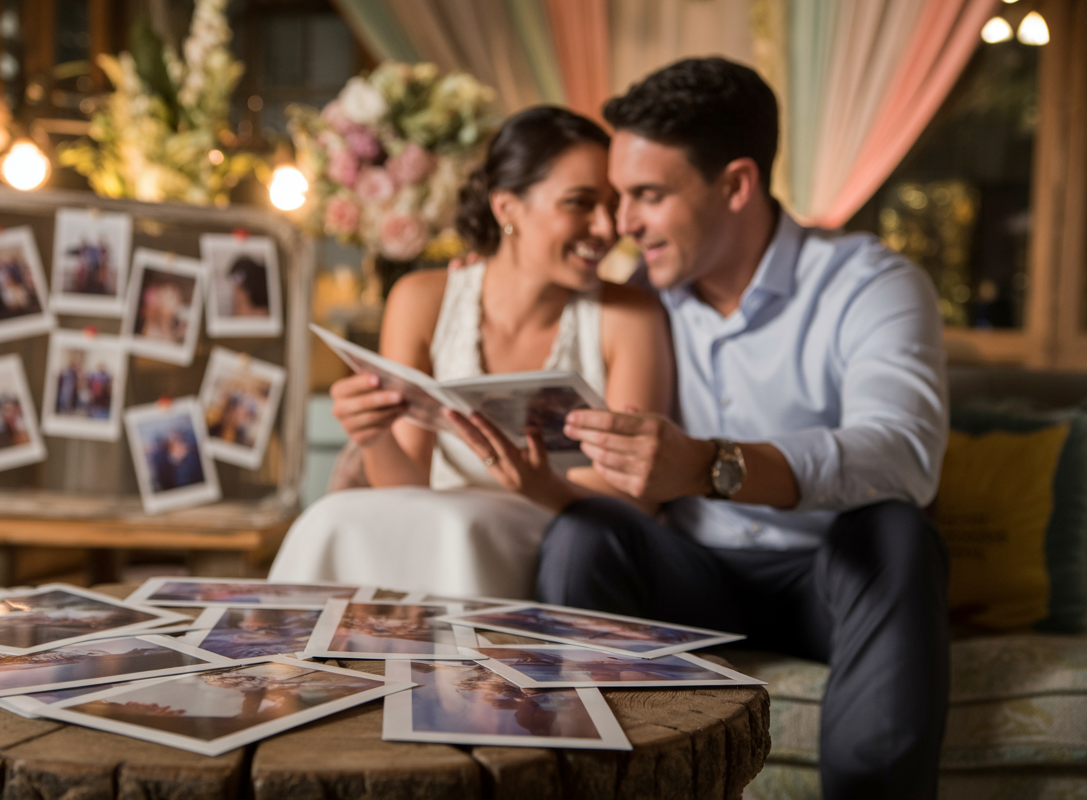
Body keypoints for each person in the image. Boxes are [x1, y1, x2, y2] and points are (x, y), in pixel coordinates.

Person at [539, 58, 949, 799]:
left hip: (835, 579)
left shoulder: (871, 284)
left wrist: (708, 465)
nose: (622, 223)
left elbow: (905, 452)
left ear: (736, 185)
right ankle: (575, 780)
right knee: (584, 534)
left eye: (648, 196)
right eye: (619, 197)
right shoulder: (635, 303)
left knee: (896, 530)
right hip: (693, 577)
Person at [269, 105, 673, 598]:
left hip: (563, 532)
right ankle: (286, 666)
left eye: (611, 205)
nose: (608, 228)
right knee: (329, 515)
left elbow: (638, 497)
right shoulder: (421, 300)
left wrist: (540, 485)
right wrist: (371, 434)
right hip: (437, 518)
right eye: (580, 203)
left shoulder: (630, 315)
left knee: (462, 530)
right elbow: (407, 484)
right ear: (507, 208)